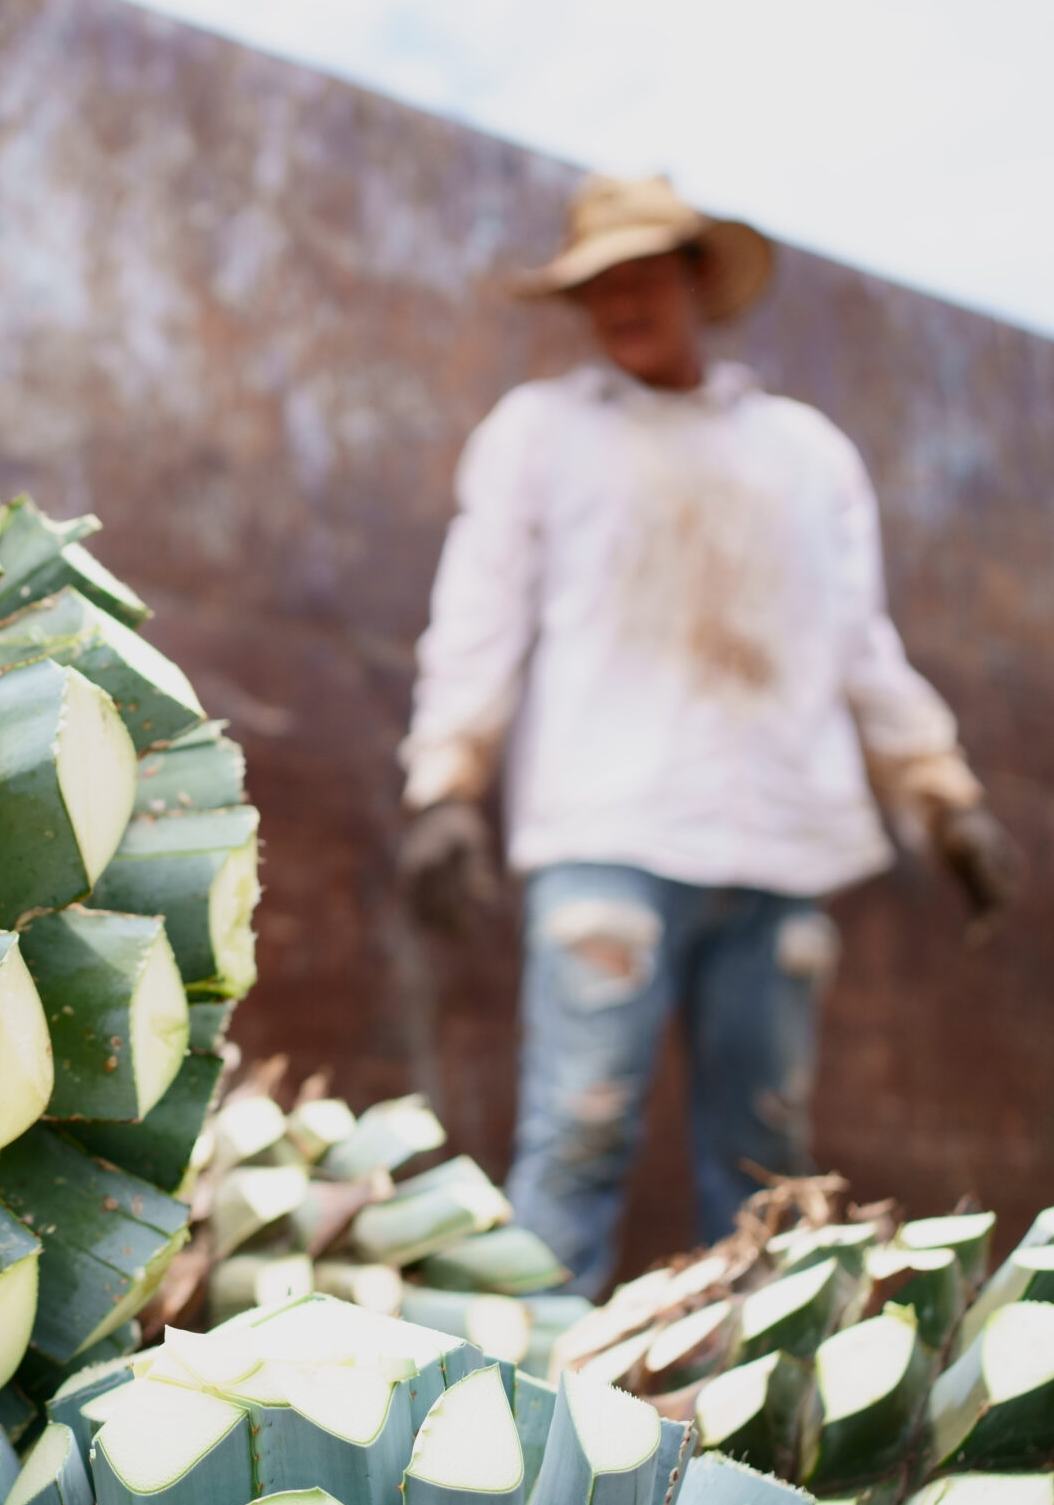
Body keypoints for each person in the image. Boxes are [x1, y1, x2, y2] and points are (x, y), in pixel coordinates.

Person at [396, 174, 1018, 1296]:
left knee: (764, 1167)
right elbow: (479, 614)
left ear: (696, 279)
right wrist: (446, 785)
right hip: (610, 831)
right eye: (597, 287)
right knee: (576, 1138)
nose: (620, 303)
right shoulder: (539, 434)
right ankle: (523, 1430)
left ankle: (744, 1428)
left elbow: (855, 641)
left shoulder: (805, 452)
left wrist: (942, 794)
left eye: (642, 275)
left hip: (782, 846)